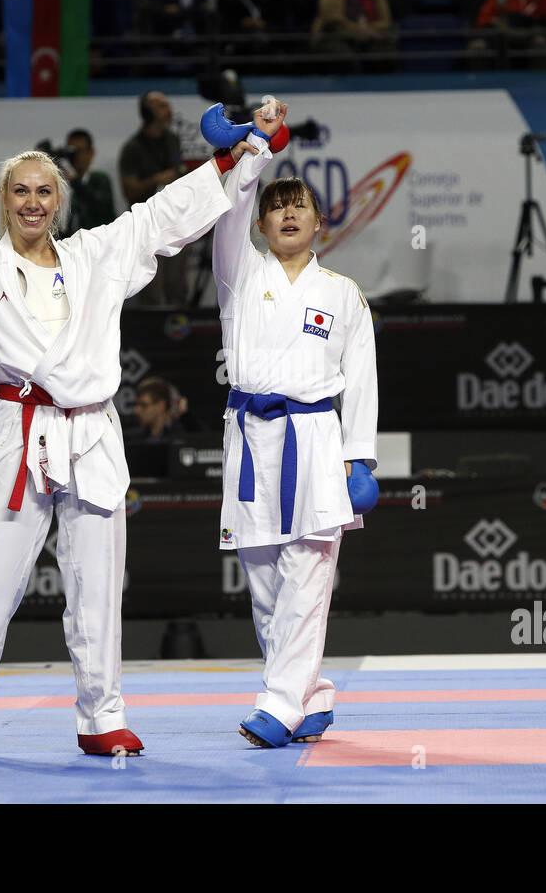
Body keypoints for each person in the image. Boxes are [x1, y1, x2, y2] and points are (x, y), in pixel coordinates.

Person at [0, 38, 253, 758]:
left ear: (58, 203)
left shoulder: (96, 255)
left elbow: (158, 220)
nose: (33, 201)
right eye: (20, 191)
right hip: (21, 428)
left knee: (97, 585)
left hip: (92, 431)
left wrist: (224, 161)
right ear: (4, 203)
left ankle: (102, 718)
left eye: (44, 191)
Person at [210, 100, 378, 747]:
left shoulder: (343, 294)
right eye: (276, 205)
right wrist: (257, 148)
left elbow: (361, 379)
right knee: (265, 586)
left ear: (318, 221)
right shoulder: (239, 273)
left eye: (299, 204)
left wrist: (358, 458)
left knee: (309, 576)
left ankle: (278, 707)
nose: (287, 212)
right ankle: (311, 696)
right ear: (259, 221)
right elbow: (228, 210)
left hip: (315, 440)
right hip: (251, 439)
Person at [118, 91, 190, 306]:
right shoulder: (133, 148)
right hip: (147, 226)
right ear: (147, 113)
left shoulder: (172, 140)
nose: (168, 111)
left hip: (174, 223)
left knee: (177, 285)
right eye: (161, 106)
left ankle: (179, 331)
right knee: (151, 287)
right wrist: (156, 179)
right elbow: (129, 191)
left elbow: (179, 171)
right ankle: (148, 336)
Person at [61, 129, 116, 233]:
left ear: (91, 152)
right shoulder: (64, 183)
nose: (76, 156)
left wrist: (75, 182)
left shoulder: (100, 179)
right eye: (71, 151)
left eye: (80, 151)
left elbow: (101, 206)